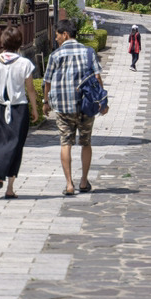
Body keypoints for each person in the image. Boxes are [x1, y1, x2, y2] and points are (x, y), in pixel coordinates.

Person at [43, 19, 107, 196]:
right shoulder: (88, 52)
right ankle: (84, 182)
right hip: (86, 106)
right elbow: (97, 78)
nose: (56, 39)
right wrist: (102, 102)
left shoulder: (55, 55)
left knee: (65, 142)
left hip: (64, 108)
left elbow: (47, 82)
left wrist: (45, 102)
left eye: (57, 35)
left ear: (65, 34)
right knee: (86, 143)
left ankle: (69, 184)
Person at [0, 26, 39, 199]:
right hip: (19, 108)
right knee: (16, 146)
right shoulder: (25, 63)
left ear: (2, 42)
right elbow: (30, 89)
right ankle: (10, 188)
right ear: (19, 43)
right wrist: (35, 109)